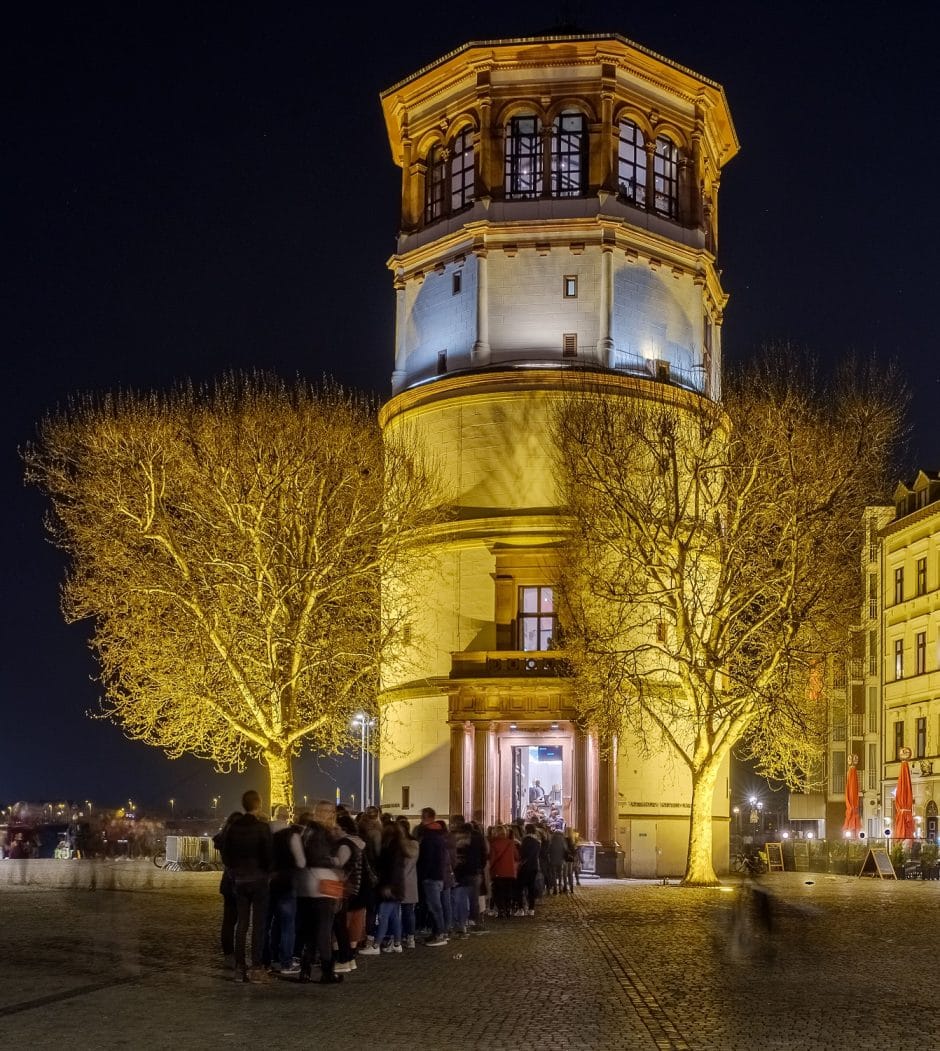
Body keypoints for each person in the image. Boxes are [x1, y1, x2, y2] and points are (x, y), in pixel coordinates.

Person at [219, 791, 273, 983]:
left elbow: (226, 854)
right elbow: (268, 855)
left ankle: (240, 968)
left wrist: (235, 872)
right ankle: (257, 967)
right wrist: (266, 872)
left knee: (241, 924)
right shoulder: (262, 827)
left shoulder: (233, 828)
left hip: (240, 880)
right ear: (258, 804)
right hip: (258, 880)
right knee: (258, 925)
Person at [291, 801, 345, 984]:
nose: (332, 815)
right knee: (324, 929)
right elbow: (317, 857)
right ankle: (327, 971)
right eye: (330, 812)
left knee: (310, 930)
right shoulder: (321, 832)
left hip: (306, 884)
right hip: (323, 884)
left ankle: (305, 970)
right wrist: (335, 861)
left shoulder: (307, 830)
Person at [266, 806, 300, 976]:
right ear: (288, 817)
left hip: (267, 883)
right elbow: (301, 862)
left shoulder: (264, 832)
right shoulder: (291, 835)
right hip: (287, 883)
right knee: (287, 924)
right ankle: (286, 962)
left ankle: (268, 960)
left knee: (268, 924)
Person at [213, 811, 242, 970]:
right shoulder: (240, 840)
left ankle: (228, 953)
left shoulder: (223, 838)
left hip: (227, 882)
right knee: (242, 921)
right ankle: (238, 954)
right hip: (240, 881)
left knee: (229, 921)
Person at [416, 807, 449, 946]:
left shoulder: (428, 837)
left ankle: (439, 934)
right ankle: (437, 932)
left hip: (431, 877)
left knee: (435, 907)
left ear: (426, 818)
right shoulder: (440, 835)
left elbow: (427, 859)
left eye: (422, 817)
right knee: (437, 906)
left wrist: (422, 875)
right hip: (439, 875)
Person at [487, 825, 519, 918]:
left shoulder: (494, 844)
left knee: (498, 892)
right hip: (510, 872)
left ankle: (501, 910)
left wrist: (489, 869)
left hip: (498, 872)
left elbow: (492, 859)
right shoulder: (510, 843)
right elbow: (517, 856)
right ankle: (508, 909)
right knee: (508, 891)